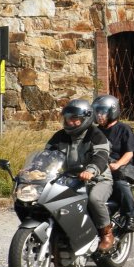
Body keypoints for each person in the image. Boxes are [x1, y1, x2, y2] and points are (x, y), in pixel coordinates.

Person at [45, 99, 114, 252]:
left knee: (94, 199)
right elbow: (47, 155)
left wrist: (91, 170)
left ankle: (106, 233)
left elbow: (101, 156)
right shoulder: (60, 136)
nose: (70, 122)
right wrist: (36, 169)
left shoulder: (96, 135)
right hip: (68, 178)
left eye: (74, 118)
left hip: (98, 178)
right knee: (48, 199)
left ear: (86, 118)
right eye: (68, 118)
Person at [92, 94, 134, 232]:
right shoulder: (95, 131)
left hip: (119, 166)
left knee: (120, 184)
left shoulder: (123, 129)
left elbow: (129, 152)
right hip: (99, 166)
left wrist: (117, 164)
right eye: (97, 112)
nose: (99, 115)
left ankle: (130, 215)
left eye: (102, 112)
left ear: (112, 112)